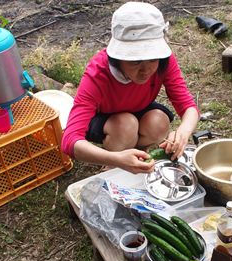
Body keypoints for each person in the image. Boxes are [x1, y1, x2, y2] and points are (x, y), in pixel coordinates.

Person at [61, 2, 199, 174]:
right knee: (125, 125)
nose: (146, 70)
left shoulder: (164, 61)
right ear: (118, 57)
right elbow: (69, 141)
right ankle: (114, 165)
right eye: (135, 61)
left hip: (138, 108)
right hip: (106, 119)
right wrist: (115, 159)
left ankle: (139, 155)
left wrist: (183, 132)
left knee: (159, 121)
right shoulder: (98, 74)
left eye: (152, 60)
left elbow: (188, 107)